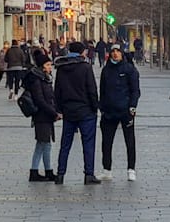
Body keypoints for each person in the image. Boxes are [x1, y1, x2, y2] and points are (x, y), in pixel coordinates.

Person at [54, 41, 100, 184]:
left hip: (68, 111)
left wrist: (60, 109)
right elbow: (92, 89)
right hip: (85, 111)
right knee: (88, 143)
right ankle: (89, 174)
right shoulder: (85, 67)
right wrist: (95, 107)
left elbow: (57, 91)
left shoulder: (61, 68)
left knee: (65, 144)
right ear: (82, 52)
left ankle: (60, 174)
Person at [98, 44, 141, 181]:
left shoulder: (129, 69)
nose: (115, 54)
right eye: (113, 51)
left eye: (118, 51)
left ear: (122, 53)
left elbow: (135, 90)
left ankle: (131, 169)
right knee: (106, 142)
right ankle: (107, 170)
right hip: (109, 111)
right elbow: (102, 91)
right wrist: (102, 107)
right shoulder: (106, 70)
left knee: (130, 141)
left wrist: (132, 106)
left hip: (125, 110)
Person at [22, 50, 60, 182]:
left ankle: (41, 171)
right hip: (41, 117)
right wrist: (53, 113)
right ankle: (39, 172)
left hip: (45, 116)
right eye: (48, 64)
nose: (50, 67)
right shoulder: (37, 80)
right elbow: (40, 100)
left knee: (43, 144)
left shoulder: (44, 78)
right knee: (44, 144)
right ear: (42, 66)